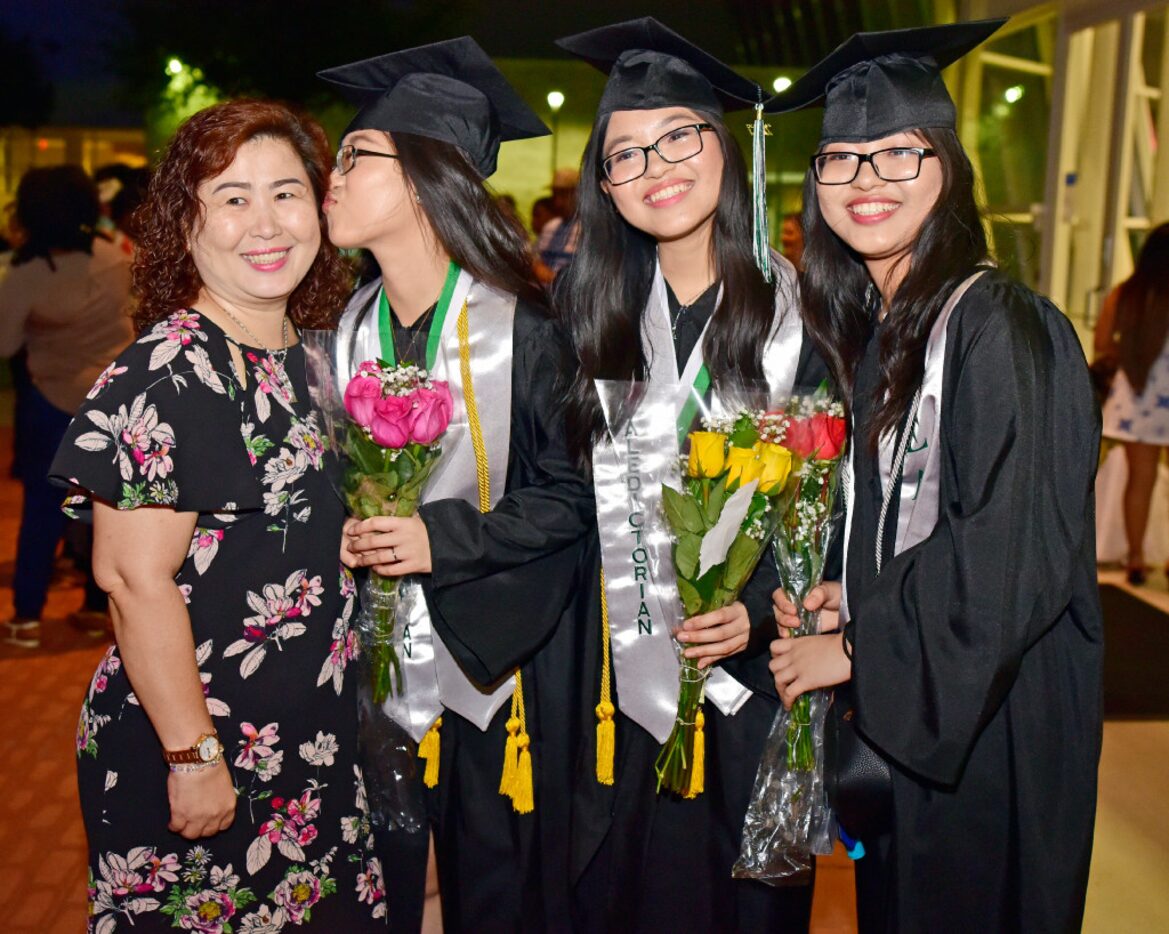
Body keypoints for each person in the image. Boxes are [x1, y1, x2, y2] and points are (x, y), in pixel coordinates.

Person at [767, 20, 1103, 933]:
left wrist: (856, 650)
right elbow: (917, 523)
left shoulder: (1006, 328)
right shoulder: (889, 333)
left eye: (895, 155)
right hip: (917, 719)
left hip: (994, 732)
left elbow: (1005, 560)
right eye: (840, 159)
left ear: (946, 169)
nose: (865, 181)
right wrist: (851, 594)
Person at [48, 100, 387, 930]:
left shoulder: (309, 352)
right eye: (232, 197)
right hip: (202, 746)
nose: (264, 223)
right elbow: (130, 579)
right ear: (185, 220)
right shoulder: (171, 369)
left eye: (285, 194)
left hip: (309, 742)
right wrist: (193, 757)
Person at [554, 18, 829, 932]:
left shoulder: (805, 315)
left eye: (678, 136)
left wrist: (755, 611)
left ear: (725, 146)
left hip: (748, 681)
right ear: (603, 184)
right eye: (624, 153)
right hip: (616, 674)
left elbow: (837, 507)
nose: (655, 166)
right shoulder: (589, 316)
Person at [318, 38, 594, 932]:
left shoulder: (528, 332)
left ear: (426, 179)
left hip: (491, 669)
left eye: (355, 158)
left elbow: (574, 496)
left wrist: (444, 538)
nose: (332, 176)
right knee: (377, 882)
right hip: (364, 665)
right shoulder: (338, 332)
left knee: (491, 889)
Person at [0, 165, 135, 649]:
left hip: (50, 400)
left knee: (42, 508)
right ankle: (98, 610)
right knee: (104, 507)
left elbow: (5, 341)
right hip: (112, 397)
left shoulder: (26, 274)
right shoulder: (117, 255)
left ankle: (27, 617)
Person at [1095, 222, 1169, 583]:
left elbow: (1103, 343)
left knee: (1140, 480)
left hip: (1136, 397)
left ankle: (1136, 557)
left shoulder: (1125, 294)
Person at [536, 167, 580, 274]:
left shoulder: (591, 229)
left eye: (565, 195)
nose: (558, 202)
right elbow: (536, 262)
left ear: (579, 194)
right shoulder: (550, 227)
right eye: (555, 195)